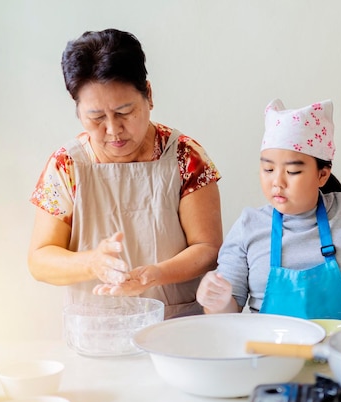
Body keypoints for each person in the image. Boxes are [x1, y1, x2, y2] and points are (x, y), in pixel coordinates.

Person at [27, 29, 223, 319]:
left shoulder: (185, 157)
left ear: (149, 95)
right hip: (96, 330)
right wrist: (92, 263)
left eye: (124, 112)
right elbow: (40, 259)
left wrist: (154, 275)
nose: (112, 129)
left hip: (175, 326)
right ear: (78, 111)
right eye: (96, 118)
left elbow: (207, 248)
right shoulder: (66, 166)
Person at [196, 99, 341, 322]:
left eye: (293, 171)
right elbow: (228, 312)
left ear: (322, 175)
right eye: (268, 169)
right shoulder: (248, 226)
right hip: (271, 355)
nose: (277, 182)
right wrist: (216, 302)